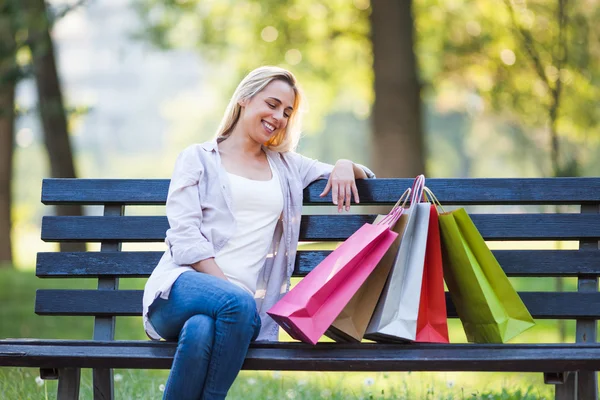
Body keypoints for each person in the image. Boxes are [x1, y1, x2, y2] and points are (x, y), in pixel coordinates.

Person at [142, 66, 375, 400]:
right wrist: (230, 293)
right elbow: (184, 238)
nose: (278, 116)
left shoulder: (288, 166)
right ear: (244, 99)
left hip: (234, 316)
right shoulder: (197, 158)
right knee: (236, 304)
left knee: (200, 330)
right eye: (272, 103)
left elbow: (366, 173)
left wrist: (343, 164)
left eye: (287, 112)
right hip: (179, 290)